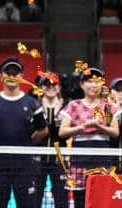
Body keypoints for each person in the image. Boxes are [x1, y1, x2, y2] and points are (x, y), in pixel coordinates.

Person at [0, 57, 49, 208]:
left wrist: (27, 144)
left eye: (15, 73)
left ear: (21, 77)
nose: (11, 76)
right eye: (7, 73)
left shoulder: (32, 103)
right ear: (1, 76)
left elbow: (43, 130)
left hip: (25, 165)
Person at [59, 67, 119, 208]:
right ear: (82, 84)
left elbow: (115, 132)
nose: (93, 85)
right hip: (79, 162)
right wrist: (81, 128)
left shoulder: (107, 107)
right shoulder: (74, 105)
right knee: (80, 202)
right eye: (89, 81)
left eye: (97, 81)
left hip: (102, 162)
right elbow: (62, 132)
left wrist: (99, 127)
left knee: (101, 201)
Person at [35, 72, 69, 208]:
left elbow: (66, 134)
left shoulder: (67, 107)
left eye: (54, 84)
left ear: (59, 87)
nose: (50, 87)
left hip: (59, 160)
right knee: (34, 199)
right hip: (37, 161)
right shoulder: (34, 105)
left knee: (62, 199)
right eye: (46, 84)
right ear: (41, 87)